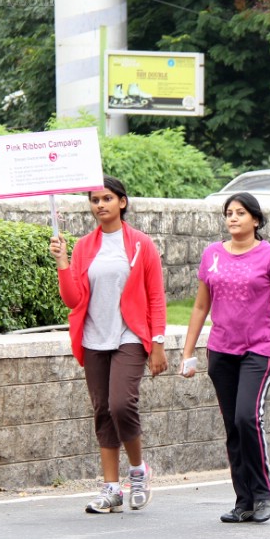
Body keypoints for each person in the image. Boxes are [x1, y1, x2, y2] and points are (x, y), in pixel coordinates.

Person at [181, 193, 270, 523]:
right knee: (232, 427)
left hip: (258, 350)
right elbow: (200, 306)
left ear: (256, 220)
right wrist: (188, 352)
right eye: (229, 213)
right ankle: (243, 500)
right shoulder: (212, 255)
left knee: (247, 419)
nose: (233, 218)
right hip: (221, 351)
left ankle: (263, 494)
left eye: (240, 213)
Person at [50, 176, 167, 514]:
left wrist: (157, 343)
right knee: (102, 410)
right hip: (93, 337)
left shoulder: (141, 245)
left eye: (106, 199)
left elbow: (156, 298)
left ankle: (138, 471)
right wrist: (62, 262)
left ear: (122, 202)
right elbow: (72, 300)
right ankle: (111, 488)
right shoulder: (85, 246)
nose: (99, 205)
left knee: (121, 404)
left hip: (130, 335)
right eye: (94, 200)